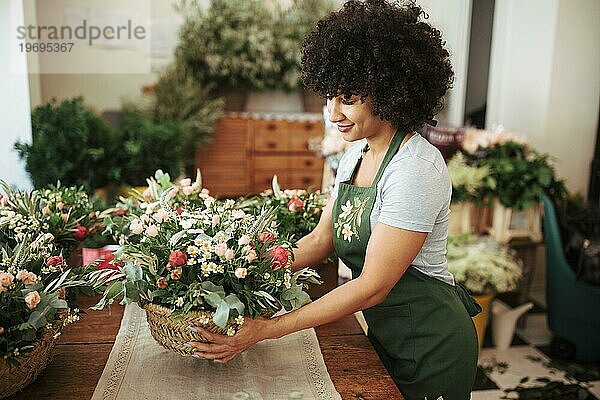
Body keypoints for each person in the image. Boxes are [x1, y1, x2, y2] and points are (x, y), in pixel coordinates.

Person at [188, 1, 481, 398]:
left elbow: (373, 287)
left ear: (390, 91)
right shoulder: (354, 155)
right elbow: (319, 241)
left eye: (348, 98)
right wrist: (234, 266)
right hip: (385, 335)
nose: (333, 112)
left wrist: (267, 330)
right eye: (329, 96)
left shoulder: (414, 170)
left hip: (432, 347)